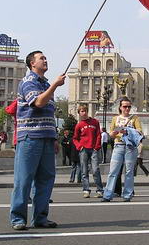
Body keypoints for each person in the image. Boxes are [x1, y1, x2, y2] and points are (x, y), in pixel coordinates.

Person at [10, 50, 65, 230]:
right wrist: (55, 85)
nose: (45, 60)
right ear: (32, 63)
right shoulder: (28, 82)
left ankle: (40, 217)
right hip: (30, 137)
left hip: (47, 137)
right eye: (41, 58)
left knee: (46, 179)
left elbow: (49, 113)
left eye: (45, 58)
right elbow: (38, 103)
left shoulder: (46, 84)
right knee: (24, 179)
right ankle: (18, 218)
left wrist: (54, 137)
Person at [102, 97, 142, 202]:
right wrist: (115, 133)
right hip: (118, 145)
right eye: (125, 106)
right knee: (113, 171)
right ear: (120, 107)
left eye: (129, 106)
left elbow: (140, 131)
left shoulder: (134, 118)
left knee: (129, 172)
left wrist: (128, 131)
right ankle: (107, 195)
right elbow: (111, 134)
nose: (127, 109)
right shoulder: (115, 118)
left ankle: (127, 195)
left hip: (130, 147)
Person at [73, 104, 104, 198]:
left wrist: (97, 146)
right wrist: (79, 147)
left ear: (87, 111)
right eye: (81, 111)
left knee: (95, 170)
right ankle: (86, 190)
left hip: (94, 149)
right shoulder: (79, 125)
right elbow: (75, 138)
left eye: (85, 111)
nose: (84, 113)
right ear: (79, 113)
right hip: (84, 150)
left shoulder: (95, 122)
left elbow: (98, 135)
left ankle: (100, 190)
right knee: (84, 171)